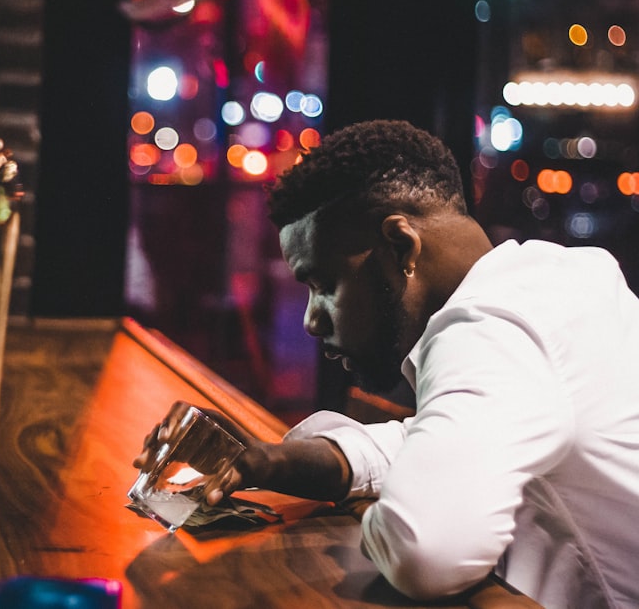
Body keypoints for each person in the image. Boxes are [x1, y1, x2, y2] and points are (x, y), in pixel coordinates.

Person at [134, 119, 639, 608]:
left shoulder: (489, 323)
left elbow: (427, 549)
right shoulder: (563, 278)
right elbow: (446, 435)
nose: (312, 319)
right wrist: (269, 461)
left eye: (323, 285)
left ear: (401, 247)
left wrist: (386, 509)